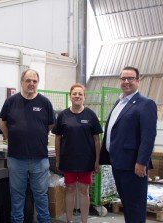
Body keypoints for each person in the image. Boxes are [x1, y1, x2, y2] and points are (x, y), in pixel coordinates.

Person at [100, 66, 157, 223]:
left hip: (133, 166)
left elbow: (149, 136)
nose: (126, 81)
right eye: (123, 78)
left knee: (135, 207)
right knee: (128, 205)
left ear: (138, 81)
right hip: (118, 163)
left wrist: (141, 162)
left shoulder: (145, 104)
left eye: (130, 78)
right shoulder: (119, 103)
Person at [0, 69, 55, 223]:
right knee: (17, 196)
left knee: (41, 196)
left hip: (39, 158)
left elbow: (50, 125)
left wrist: (34, 135)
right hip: (16, 158)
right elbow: (2, 123)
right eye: (28, 80)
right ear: (21, 82)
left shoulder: (45, 103)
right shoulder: (11, 102)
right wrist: (12, 137)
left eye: (35, 81)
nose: (31, 84)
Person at [52, 83, 102, 223]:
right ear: (70, 96)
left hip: (87, 161)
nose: (77, 96)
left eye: (80, 94)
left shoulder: (90, 115)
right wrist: (58, 159)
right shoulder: (63, 115)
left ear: (84, 97)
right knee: (70, 189)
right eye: (74, 93)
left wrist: (97, 160)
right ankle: (69, 220)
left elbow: (97, 140)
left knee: (84, 191)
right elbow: (57, 138)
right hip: (68, 160)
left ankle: (84, 221)